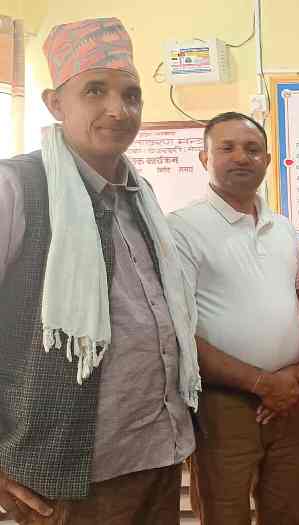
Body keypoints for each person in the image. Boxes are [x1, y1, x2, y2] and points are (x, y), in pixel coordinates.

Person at [0, 18, 199, 524]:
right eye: (94, 91)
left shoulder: (140, 196)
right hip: (66, 475)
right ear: (55, 103)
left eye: (131, 95)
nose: (118, 109)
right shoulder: (17, 188)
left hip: (157, 455)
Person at [167, 112, 299, 525]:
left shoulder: (283, 227)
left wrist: (298, 373)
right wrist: (262, 383)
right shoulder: (181, 228)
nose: (240, 157)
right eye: (226, 148)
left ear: (267, 160)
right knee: (224, 514)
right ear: (204, 158)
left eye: (252, 149)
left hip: (290, 396)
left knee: (291, 512)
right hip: (223, 403)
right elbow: (177, 332)